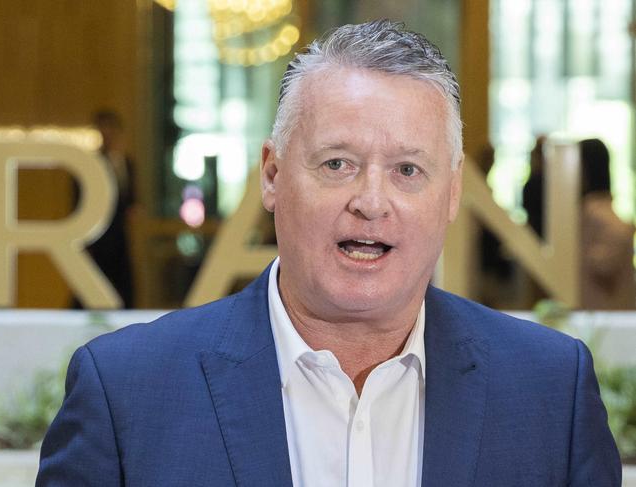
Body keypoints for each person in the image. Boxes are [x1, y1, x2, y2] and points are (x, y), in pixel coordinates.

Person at [36, 20, 621, 486]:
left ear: (451, 193)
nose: (371, 202)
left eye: (408, 170)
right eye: (337, 163)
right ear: (272, 174)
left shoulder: (550, 391)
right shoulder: (126, 391)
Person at [87, 110, 136, 308]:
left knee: (123, 282)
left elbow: (131, 196)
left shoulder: (127, 163)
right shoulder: (91, 164)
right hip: (97, 237)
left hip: (121, 236)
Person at [579, 138, 635, 310]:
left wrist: (592, 257)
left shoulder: (598, 214)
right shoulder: (590, 212)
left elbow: (620, 234)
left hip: (607, 317)